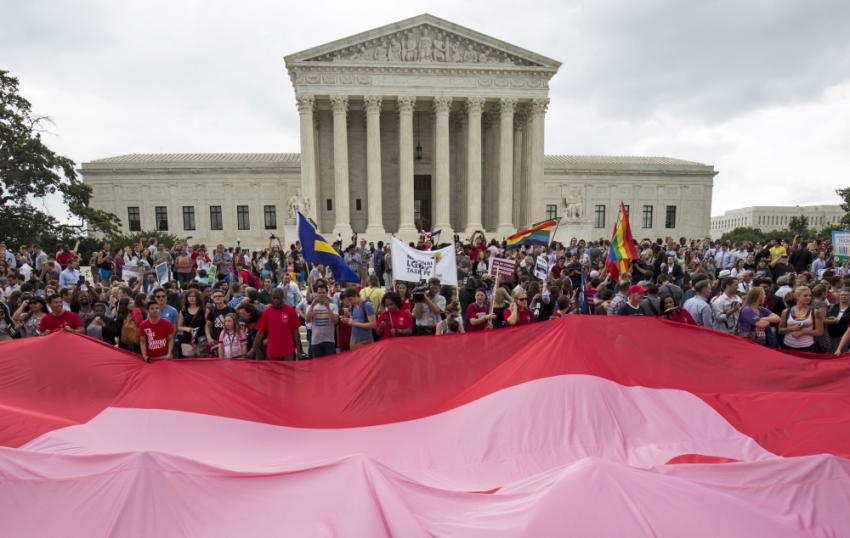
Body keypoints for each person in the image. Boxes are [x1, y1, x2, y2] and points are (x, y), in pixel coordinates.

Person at [248, 288, 302, 360]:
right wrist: (252, 349)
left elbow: (295, 332)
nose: (275, 300)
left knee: (289, 371)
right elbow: (260, 332)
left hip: (288, 351)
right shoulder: (266, 313)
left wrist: (299, 350)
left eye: (278, 298)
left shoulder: (291, 311)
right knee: (273, 371)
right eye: (273, 298)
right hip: (272, 351)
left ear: (283, 296)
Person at [779, 286, 823, 352]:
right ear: (797, 296)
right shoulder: (786, 311)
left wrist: (803, 332)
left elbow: (820, 332)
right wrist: (790, 328)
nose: (808, 298)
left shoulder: (815, 312)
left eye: (810, 296)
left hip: (807, 346)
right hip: (788, 345)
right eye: (805, 296)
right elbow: (780, 330)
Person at [304, 282, 339, 358]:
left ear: (327, 293)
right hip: (316, 341)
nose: (321, 295)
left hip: (329, 341)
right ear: (316, 293)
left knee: (330, 365)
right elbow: (307, 320)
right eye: (319, 293)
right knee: (317, 366)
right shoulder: (311, 306)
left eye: (323, 293)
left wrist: (328, 308)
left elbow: (335, 321)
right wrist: (312, 305)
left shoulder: (333, 306)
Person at [177, 289, 206, 357]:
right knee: (190, 363)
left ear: (198, 297)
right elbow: (178, 327)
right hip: (188, 339)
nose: (191, 298)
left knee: (202, 361)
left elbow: (208, 326)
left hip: (201, 339)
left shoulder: (204, 310)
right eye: (189, 296)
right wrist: (186, 329)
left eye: (194, 296)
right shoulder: (183, 311)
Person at [205, 289, 236, 356]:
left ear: (224, 297)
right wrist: (209, 337)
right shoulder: (212, 311)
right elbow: (207, 325)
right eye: (215, 296)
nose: (217, 298)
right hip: (216, 340)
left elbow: (236, 324)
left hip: (231, 340)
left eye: (219, 296)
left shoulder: (231, 310)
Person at [826, 288, 850, 354]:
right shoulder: (831, 307)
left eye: (846, 295)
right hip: (831, 336)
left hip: (846, 338)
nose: (843, 296)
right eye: (841, 295)